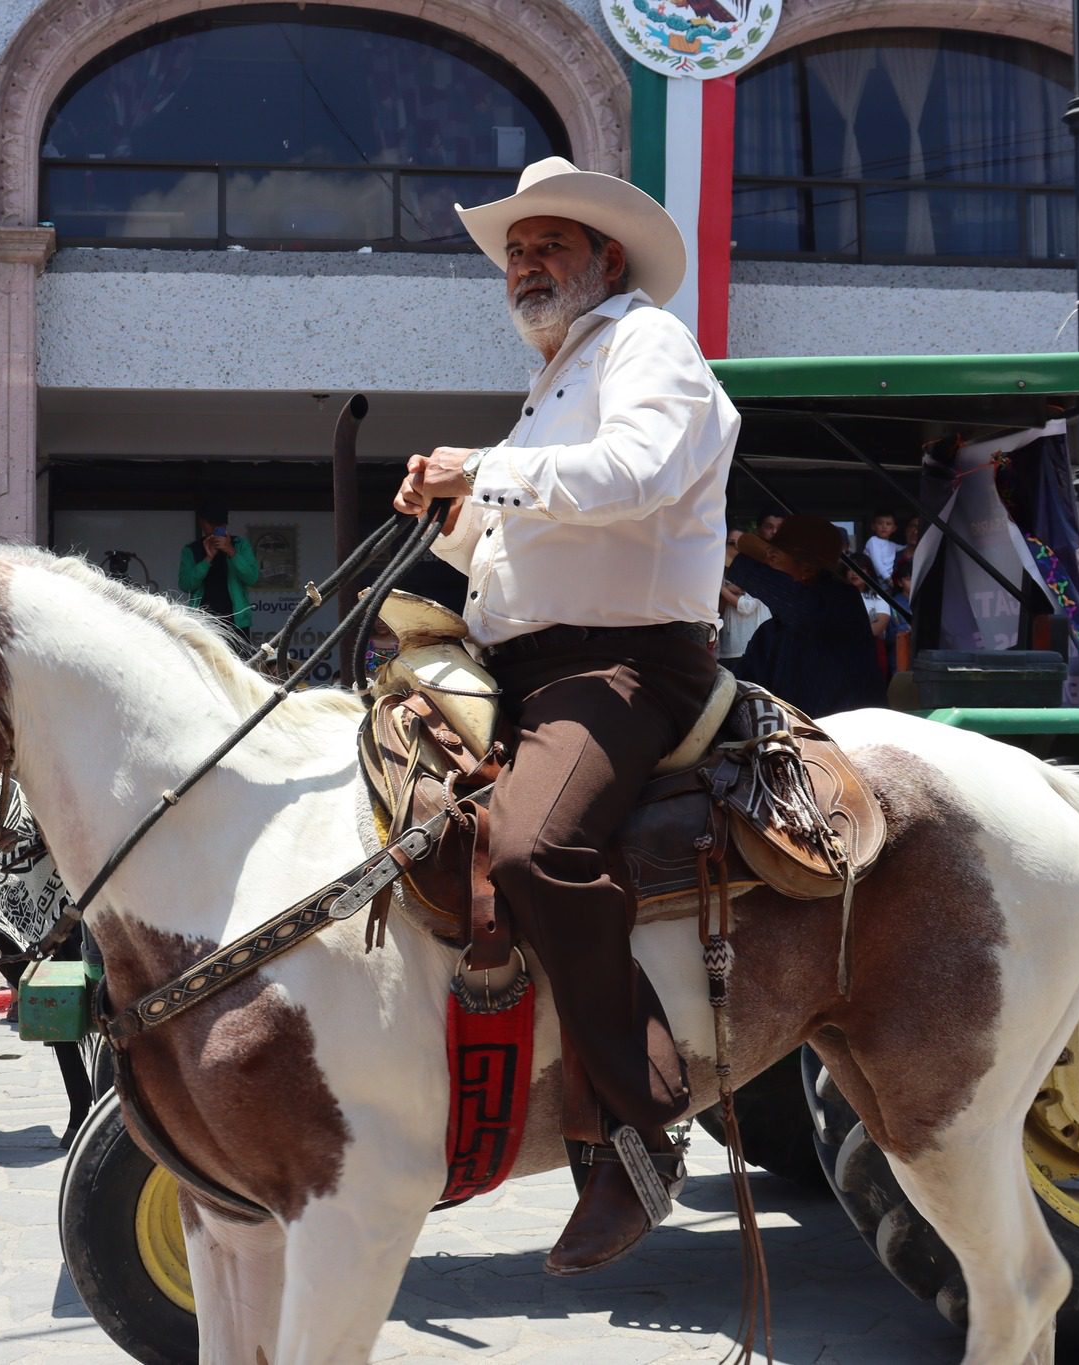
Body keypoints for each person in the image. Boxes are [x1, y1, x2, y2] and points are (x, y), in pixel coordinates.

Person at [393, 156, 737, 1274]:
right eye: (514, 252)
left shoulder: (645, 343)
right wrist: (452, 508)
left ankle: (640, 1127)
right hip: (534, 665)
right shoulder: (560, 372)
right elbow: (518, 540)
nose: (524, 266)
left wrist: (481, 469)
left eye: (548, 246)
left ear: (606, 259)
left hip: (626, 664)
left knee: (535, 853)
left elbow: (637, 472)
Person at [727, 516, 889, 718]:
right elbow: (742, 688)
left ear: (806, 569)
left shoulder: (839, 600)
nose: (767, 564)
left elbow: (793, 600)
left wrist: (728, 558)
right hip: (794, 739)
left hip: (851, 735)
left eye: (774, 557)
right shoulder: (771, 630)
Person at [178, 506, 260, 643]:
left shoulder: (239, 545)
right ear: (202, 523)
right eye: (211, 524)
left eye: (220, 525)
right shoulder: (191, 550)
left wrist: (231, 551)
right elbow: (185, 585)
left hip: (236, 623)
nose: (215, 529)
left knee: (240, 662)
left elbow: (252, 578)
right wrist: (207, 559)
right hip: (202, 624)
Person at [715, 533, 768, 668]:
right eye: (731, 543)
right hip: (728, 648)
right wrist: (727, 590)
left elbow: (747, 606)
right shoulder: (720, 573)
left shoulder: (759, 574)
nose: (734, 548)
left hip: (747, 645)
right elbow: (718, 611)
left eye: (739, 544)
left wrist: (722, 589)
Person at [862, 511, 901, 582]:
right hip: (875, 578)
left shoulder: (893, 545)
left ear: (894, 528)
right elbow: (876, 561)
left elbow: (906, 548)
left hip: (888, 578)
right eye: (880, 523)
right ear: (873, 527)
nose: (884, 526)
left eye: (888, 524)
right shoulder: (873, 541)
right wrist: (888, 578)